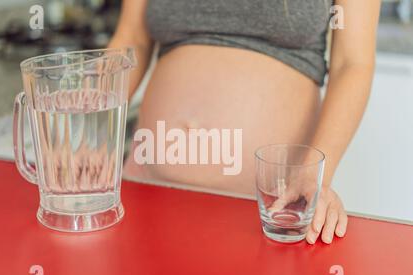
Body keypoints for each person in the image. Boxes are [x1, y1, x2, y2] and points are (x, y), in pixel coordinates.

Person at [108, 0, 381, 244]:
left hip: (274, 210)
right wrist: (90, 134)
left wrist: (316, 175)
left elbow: (352, 63)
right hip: (147, 190)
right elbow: (133, 39)